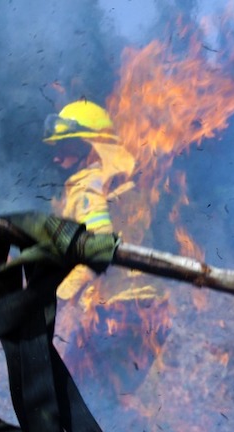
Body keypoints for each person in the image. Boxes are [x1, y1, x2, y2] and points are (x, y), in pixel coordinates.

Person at [43, 99, 168, 392]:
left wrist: (59, 296)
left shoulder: (90, 185)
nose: (57, 159)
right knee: (106, 407)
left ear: (90, 146)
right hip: (153, 314)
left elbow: (100, 246)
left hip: (117, 314)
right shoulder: (126, 183)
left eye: (66, 148)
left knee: (67, 398)